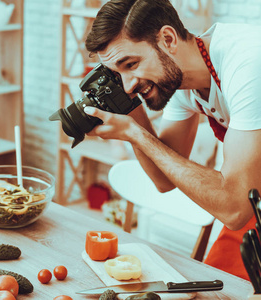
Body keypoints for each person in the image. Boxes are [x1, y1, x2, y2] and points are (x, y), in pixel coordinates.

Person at [82, 0, 261, 280]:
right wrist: (128, 107)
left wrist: (134, 133)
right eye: (118, 74)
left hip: (244, 200)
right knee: (218, 287)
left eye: (131, 64)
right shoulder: (180, 82)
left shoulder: (248, 63)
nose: (128, 84)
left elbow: (235, 207)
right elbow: (163, 180)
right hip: (252, 197)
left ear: (168, 39)